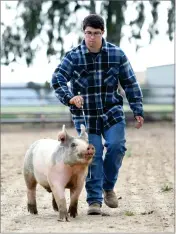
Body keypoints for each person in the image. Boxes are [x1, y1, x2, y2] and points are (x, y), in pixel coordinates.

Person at [51, 14, 144, 215]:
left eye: (95, 33)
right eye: (88, 33)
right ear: (84, 33)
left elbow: (130, 83)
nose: (91, 37)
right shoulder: (73, 57)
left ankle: (108, 187)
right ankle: (94, 201)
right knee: (93, 154)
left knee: (117, 147)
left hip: (112, 112)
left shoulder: (116, 54)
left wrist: (137, 110)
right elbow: (57, 79)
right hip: (86, 115)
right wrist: (69, 98)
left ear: (103, 33)